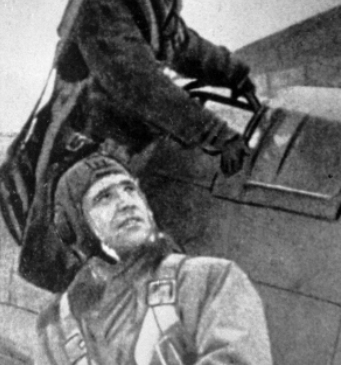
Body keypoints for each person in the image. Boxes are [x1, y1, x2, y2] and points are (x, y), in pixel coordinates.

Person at [15, 0, 256, 291]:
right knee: (100, 258)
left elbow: (177, 44)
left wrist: (233, 72)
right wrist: (216, 134)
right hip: (90, 147)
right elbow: (138, 83)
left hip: (133, 136)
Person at [35, 154, 272, 365]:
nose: (126, 203)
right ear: (73, 227)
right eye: (104, 197)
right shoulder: (57, 326)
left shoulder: (209, 280)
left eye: (130, 189)